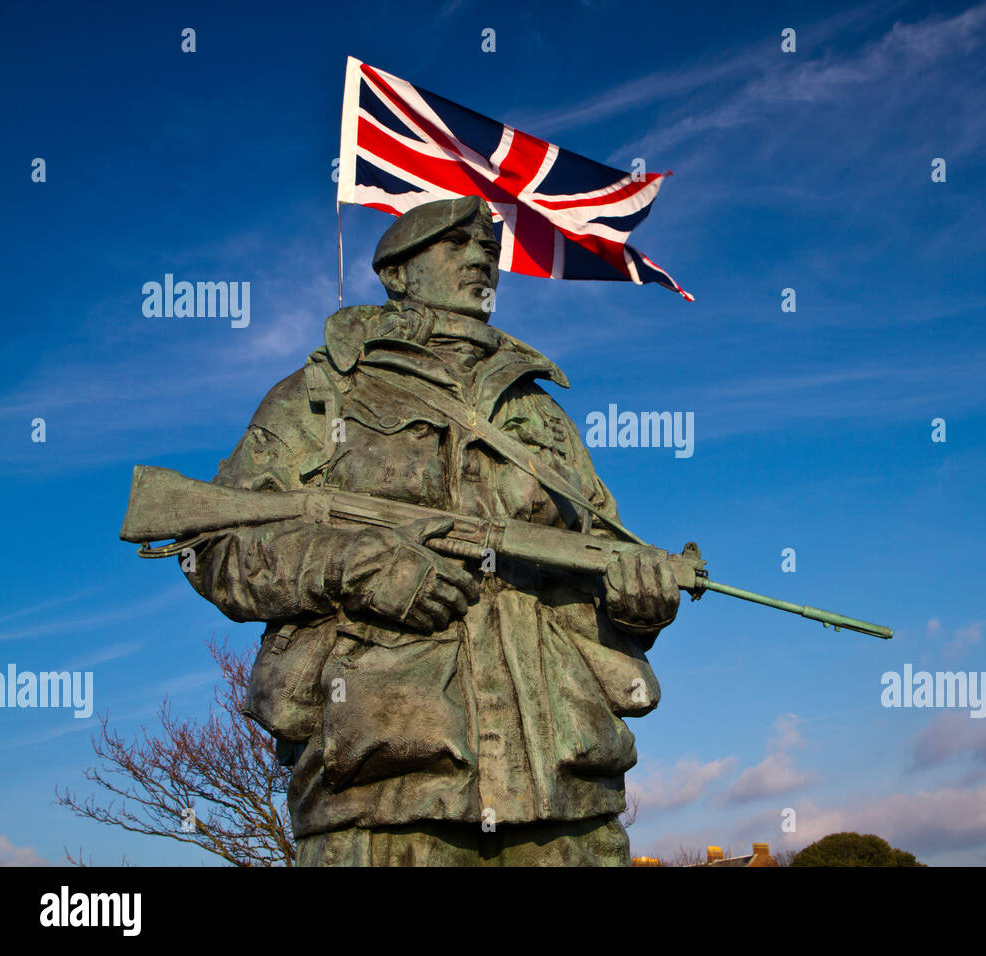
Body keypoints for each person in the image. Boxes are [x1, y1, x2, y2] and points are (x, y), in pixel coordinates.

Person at [184, 195, 680, 865]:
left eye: (489, 248)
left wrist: (637, 601)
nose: (483, 257)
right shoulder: (322, 394)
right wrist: (356, 567)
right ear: (397, 273)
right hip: (381, 788)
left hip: (566, 794)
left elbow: (600, 554)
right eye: (456, 244)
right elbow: (214, 547)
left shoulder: (544, 416)